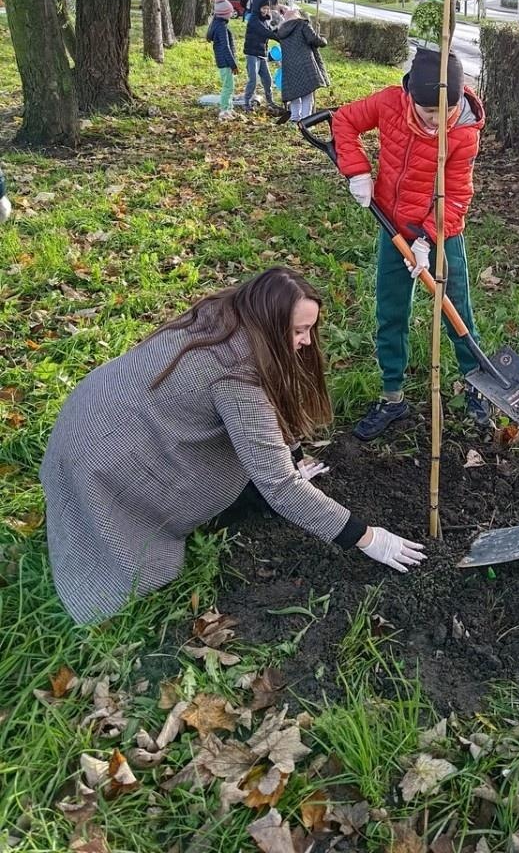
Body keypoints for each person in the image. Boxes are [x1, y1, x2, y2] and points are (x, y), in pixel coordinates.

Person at [40, 268, 426, 625]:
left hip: (96, 413)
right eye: (298, 331)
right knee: (142, 560)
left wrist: (287, 457)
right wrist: (366, 537)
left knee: (246, 477)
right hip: (105, 460)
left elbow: (267, 423)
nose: (307, 341)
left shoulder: (224, 313)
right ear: (270, 323)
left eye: (310, 329)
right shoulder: (237, 375)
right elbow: (279, 485)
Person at [332, 47, 490, 440]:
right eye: (427, 113)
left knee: (455, 311)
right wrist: (357, 172)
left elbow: (456, 197)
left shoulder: (463, 134)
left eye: (443, 112)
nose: (436, 121)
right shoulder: (389, 103)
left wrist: (427, 239)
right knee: (390, 310)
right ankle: (392, 396)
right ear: (410, 97)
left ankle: (477, 384)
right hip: (393, 229)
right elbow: (344, 121)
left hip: (441, 234)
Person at [274, 8, 329, 125]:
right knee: (307, 93)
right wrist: (323, 40)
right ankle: (306, 121)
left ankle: (295, 119)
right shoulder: (302, 25)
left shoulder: (281, 30)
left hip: (289, 65)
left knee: (294, 93)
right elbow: (313, 39)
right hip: (305, 63)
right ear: (298, 15)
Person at [243, 0, 279, 112]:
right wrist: (279, 38)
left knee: (267, 79)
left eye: (267, 8)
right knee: (253, 79)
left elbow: (270, 31)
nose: (265, 10)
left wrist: (281, 31)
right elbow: (264, 32)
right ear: (257, 7)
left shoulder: (264, 19)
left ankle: (270, 102)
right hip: (252, 54)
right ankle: (246, 103)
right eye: (263, 8)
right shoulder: (254, 19)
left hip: (262, 54)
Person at [206, 0, 239, 121]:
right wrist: (233, 64)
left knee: (230, 86)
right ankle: (224, 110)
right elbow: (226, 47)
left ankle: (229, 108)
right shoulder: (221, 27)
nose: (231, 13)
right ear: (225, 13)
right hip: (225, 62)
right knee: (228, 87)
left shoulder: (217, 24)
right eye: (230, 12)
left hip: (223, 61)